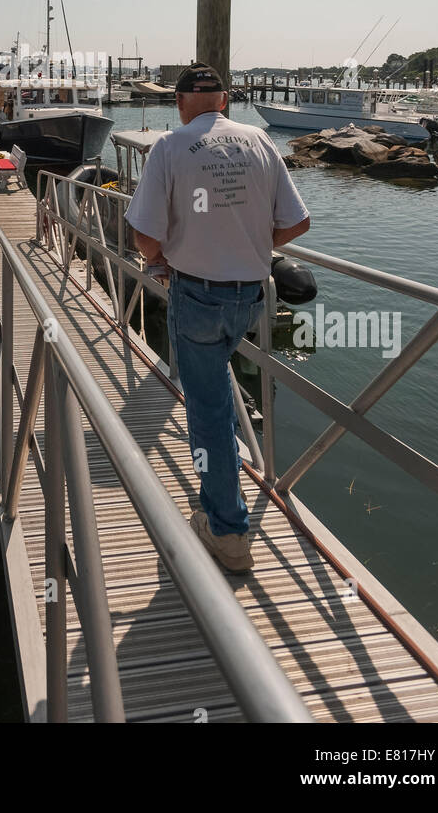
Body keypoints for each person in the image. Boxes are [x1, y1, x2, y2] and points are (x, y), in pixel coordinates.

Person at [125, 62, 310, 572]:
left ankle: (227, 531)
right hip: (251, 298)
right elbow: (298, 221)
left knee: (206, 412)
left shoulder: (169, 147)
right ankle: (226, 496)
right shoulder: (258, 141)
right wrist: (251, 247)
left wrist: (157, 261)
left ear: (181, 102)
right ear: (223, 101)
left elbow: (144, 234)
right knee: (223, 400)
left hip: (198, 296)